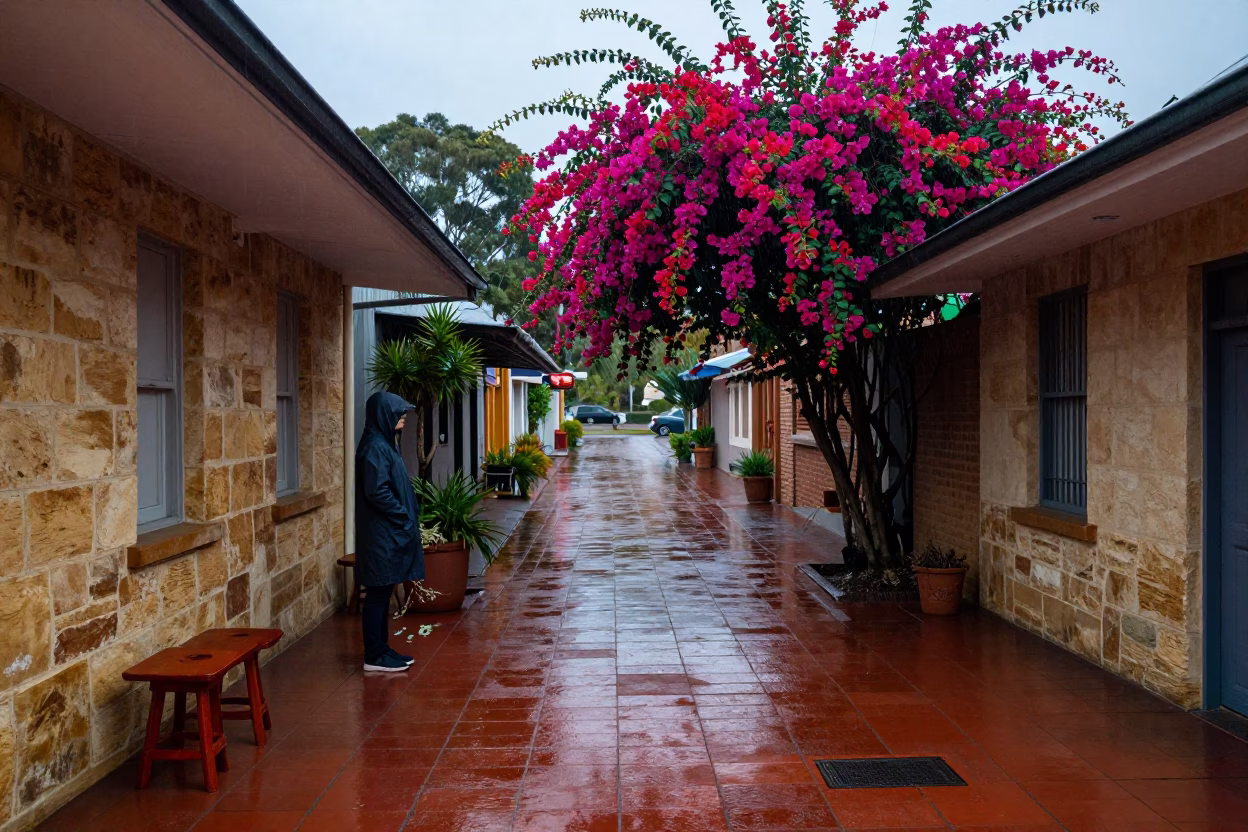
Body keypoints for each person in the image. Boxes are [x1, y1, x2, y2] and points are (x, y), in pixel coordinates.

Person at [355, 391, 424, 672]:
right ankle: (374, 655)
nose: (404, 416)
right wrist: (402, 514)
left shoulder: (384, 443)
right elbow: (377, 491)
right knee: (378, 594)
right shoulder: (374, 447)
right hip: (380, 535)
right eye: (398, 412)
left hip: (387, 533)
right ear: (384, 414)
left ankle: (381, 649)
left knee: (383, 592)